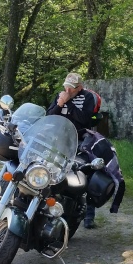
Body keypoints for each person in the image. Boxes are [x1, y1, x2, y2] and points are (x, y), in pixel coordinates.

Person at [46, 72, 108, 229]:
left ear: (79, 88)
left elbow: (85, 119)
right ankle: (54, 208)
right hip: (60, 139)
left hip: (81, 140)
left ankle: (88, 214)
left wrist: (69, 103)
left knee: (83, 172)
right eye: (66, 87)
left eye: (71, 88)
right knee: (53, 172)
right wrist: (60, 104)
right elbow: (49, 116)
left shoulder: (87, 98)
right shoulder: (61, 96)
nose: (67, 90)